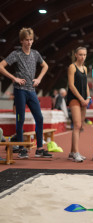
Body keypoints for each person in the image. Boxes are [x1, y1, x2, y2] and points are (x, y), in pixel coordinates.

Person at [0, 27, 52, 159]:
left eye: (31, 40)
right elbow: (1, 66)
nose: (29, 42)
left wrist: (39, 79)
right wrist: (14, 78)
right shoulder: (16, 54)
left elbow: (45, 66)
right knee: (20, 118)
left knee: (39, 118)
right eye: (27, 40)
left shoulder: (35, 54)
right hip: (20, 90)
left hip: (32, 91)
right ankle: (21, 148)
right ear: (22, 41)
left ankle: (39, 148)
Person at [66, 47, 90, 162]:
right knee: (77, 125)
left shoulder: (85, 68)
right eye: (80, 54)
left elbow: (86, 85)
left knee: (80, 126)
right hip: (74, 98)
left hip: (84, 100)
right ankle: (76, 152)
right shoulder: (72, 67)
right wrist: (81, 99)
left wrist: (88, 98)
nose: (83, 57)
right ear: (76, 55)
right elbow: (71, 85)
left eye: (84, 55)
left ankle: (72, 152)